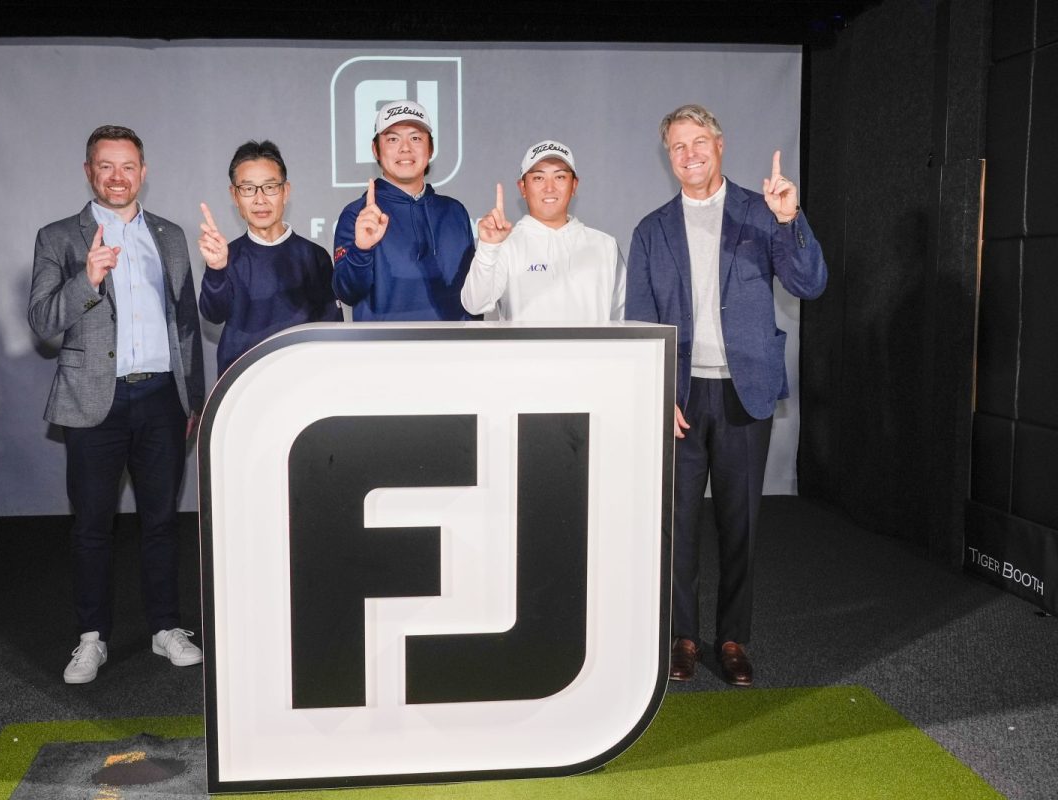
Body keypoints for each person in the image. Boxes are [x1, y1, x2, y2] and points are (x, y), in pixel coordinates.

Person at [625, 104, 827, 686]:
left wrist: (789, 220)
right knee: (678, 526)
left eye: (698, 142)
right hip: (681, 398)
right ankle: (683, 638)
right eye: (677, 146)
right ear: (669, 158)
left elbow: (809, 283)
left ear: (719, 145)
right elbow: (640, 321)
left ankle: (733, 637)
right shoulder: (651, 230)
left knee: (740, 525)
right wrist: (657, 393)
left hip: (745, 392)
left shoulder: (762, 212)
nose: (689, 154)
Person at [28, 124, 206, 684]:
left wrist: (193, 399)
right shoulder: (59, 237)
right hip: (93, 402)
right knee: (91, 527)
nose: (117, 177)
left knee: (162, 521)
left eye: (128, 166)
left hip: (161, 399)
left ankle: (165, 628)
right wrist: (87, 278)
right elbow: (42, 321)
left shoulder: (170, 236)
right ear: (89, 171)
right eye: (105, 166)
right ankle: (91, 638)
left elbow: (185, 323)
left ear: (143, 173)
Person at [197, 140, 341, 377]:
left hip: (303, 381)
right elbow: (213, 315)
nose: (260, 199)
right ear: (234, 195)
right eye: (248, 188)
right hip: (242, 384)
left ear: (285, 191)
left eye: (270, 187)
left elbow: (331, 331)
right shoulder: (225, 256)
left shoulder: (314, 256)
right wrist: (216, 269)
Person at [332, 100, 476, 320]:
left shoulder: (454, 212)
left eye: (415, 138)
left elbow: (473, 295)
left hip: (452, 342)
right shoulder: (358, 214)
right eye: (393, 139)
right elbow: (346, 293)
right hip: (386, 343)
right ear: (375, 149)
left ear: (431, 148)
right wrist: (361, 250)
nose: (405, 148)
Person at [461, 140, 624, 321]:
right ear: (523, 187)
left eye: (560, 177)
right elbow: (475, 304)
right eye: (538, 178)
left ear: (574, 185)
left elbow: (624, 318)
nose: (549, 188)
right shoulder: (505, 245)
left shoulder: (605, 245)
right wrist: (488, 248)